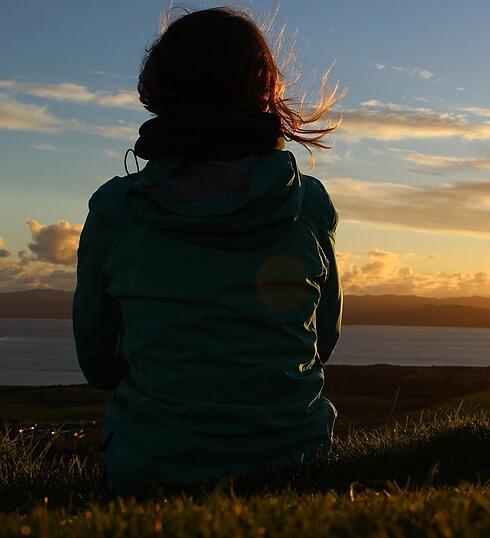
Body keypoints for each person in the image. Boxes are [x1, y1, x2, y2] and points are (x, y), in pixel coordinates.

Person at [72, 7, 342, 493]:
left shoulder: (117, 211)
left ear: (159, 91)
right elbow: (322, 340)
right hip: (300, 466)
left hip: (152, 473)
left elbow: (98, 363)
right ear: (264, 90)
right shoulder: (307, 204)